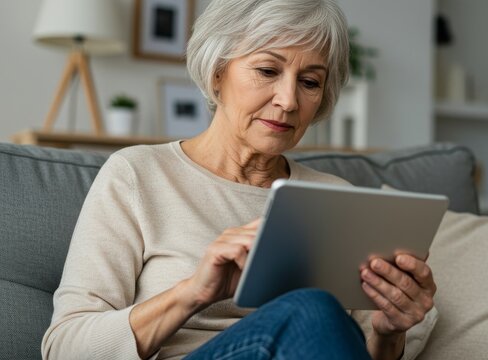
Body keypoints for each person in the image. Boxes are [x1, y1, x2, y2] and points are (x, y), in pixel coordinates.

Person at [41, 0, 437, 359]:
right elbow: (65, 348)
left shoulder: (337, 199)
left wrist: (389, 336)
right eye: (267, 70)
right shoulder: (137, 175)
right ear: (217, 73)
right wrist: (193, 292)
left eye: (310, 82)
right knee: (310, 308)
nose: (288, 100)